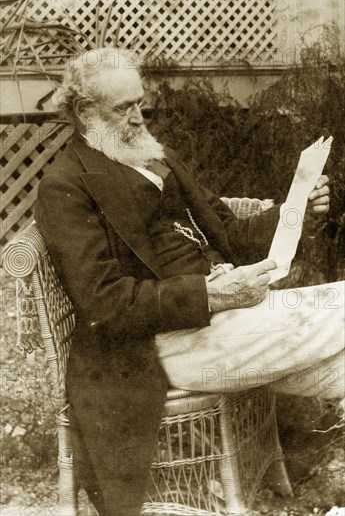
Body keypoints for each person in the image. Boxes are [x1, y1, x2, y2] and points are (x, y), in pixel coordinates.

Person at [35, 48, 344, 516]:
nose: (139, 117)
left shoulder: (158, 159)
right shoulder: (67, 187)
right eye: (124, 108)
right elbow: (105, 303)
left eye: (139, 102)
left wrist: (294, 208)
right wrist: (212, 294)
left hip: (227, 317)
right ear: (83, 112)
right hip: (158, 345)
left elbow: (229, 233)